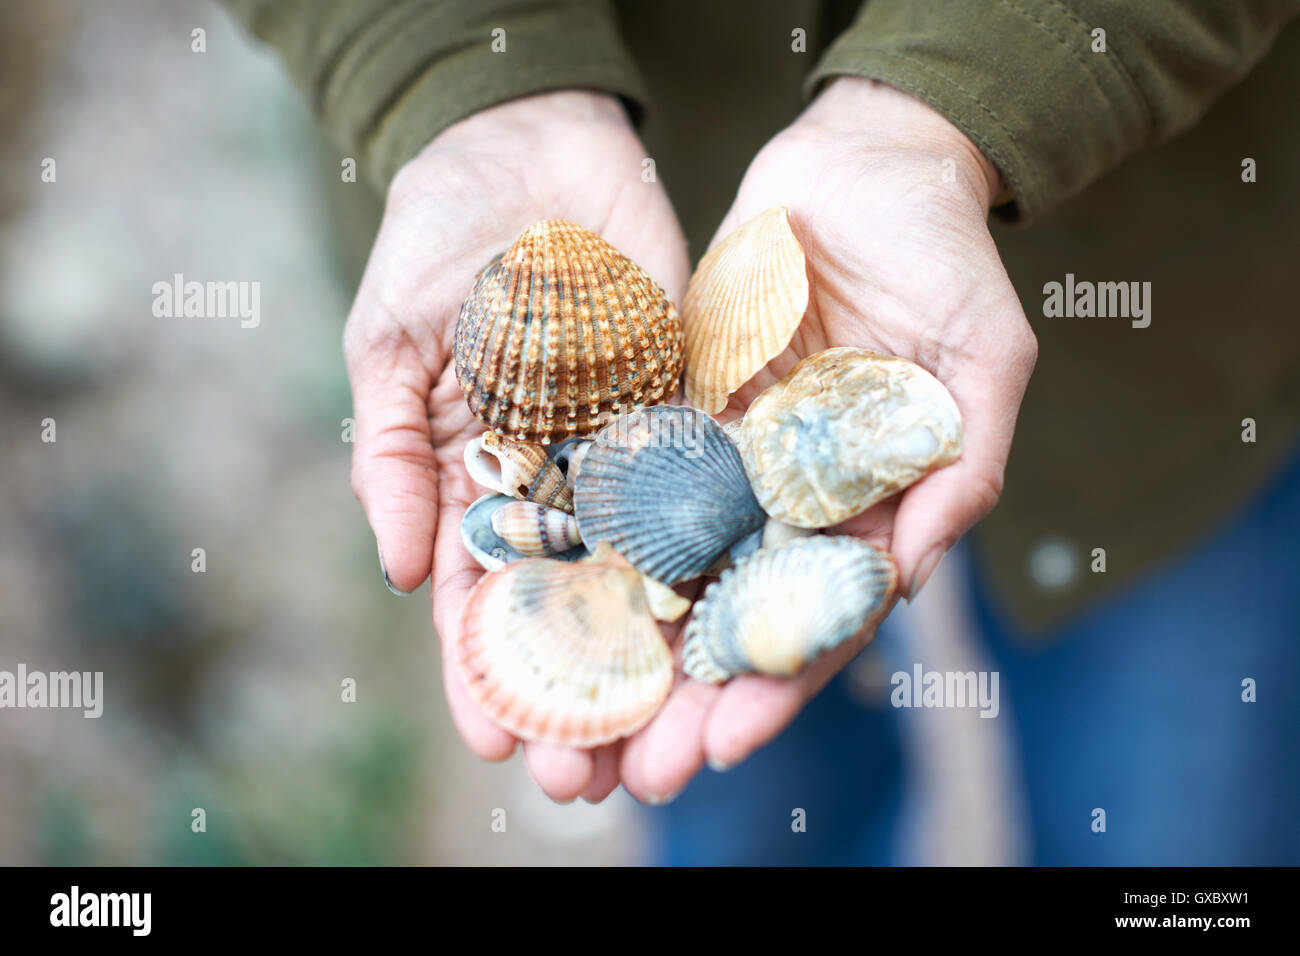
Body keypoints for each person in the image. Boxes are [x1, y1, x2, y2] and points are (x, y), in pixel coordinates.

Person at [223, 0, 1300, 863]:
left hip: (1167, 317)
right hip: (605, 186)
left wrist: (956, 101)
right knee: (750, 816)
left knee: (1184, 827)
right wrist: (461, 81)